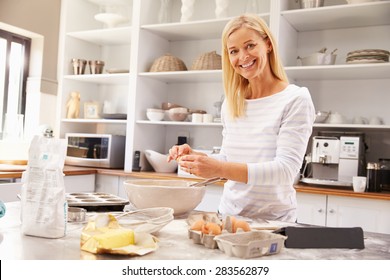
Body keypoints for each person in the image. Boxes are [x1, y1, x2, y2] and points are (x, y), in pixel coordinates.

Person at [167, 14, 315, 222]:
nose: (243, 56)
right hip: (228, 217)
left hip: (274, 222)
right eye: (234, 51)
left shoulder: (295, 99)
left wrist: (218, 168)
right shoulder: (232, 102)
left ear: (268, 44)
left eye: (250, 46)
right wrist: (200, 158)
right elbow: (228, 160)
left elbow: (285, 170)